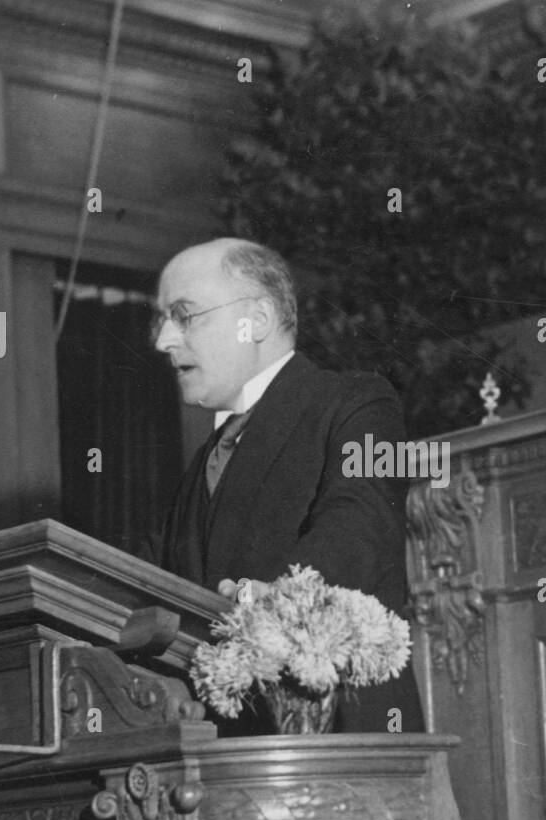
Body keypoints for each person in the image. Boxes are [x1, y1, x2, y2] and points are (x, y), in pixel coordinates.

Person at [147, 237, 425, 736]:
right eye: (162, 319)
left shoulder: (362, 404)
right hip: (227, 755)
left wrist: (263, 600)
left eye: (185, 316)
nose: (163, 340)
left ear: (257, 318)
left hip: (340, 738)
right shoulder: (201, 466)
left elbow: (359, 530)